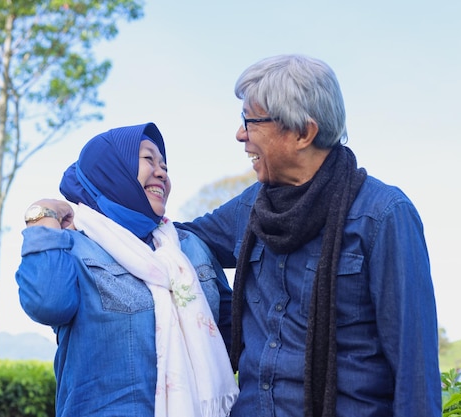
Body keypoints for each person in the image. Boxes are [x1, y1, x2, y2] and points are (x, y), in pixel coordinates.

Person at [180, 54, 442, 416]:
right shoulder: (248, 209)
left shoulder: (382, 215)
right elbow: (171, 239)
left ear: (303, 132)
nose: (240, 134)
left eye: (250, 121)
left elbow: (416, 371)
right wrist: (80, 212)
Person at [14, 122, 238, 417]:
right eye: (148, 160)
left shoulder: (189, 249)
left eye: (165, 166)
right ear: (111, 170)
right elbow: (47, 303)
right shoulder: (74, 247)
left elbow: (234, 336)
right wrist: (42, 215)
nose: (162, 172)